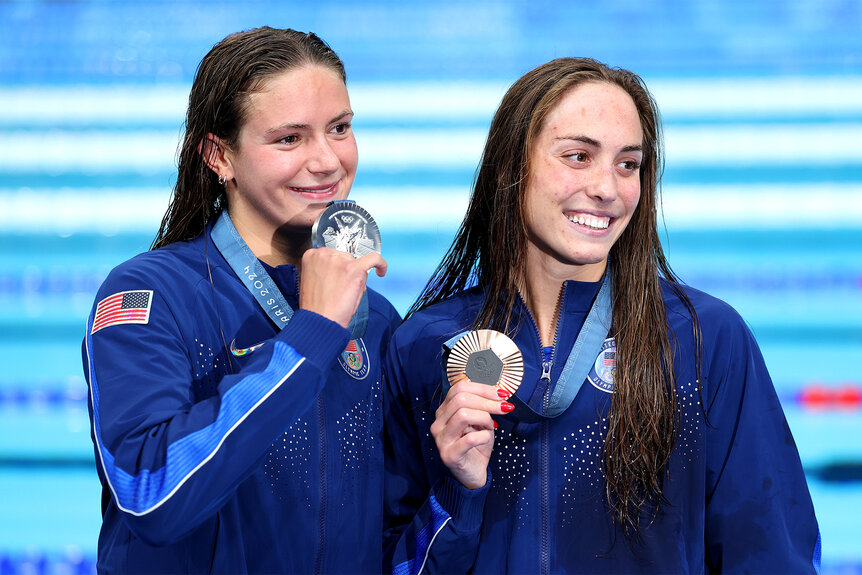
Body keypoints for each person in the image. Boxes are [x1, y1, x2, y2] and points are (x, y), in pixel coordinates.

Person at [383, 58, 820, 573]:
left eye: (627, 164)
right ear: (509, 169)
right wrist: (456, 493)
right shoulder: (425, 345)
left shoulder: (702, 337)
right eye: (578, 156)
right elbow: (391, 562)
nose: (608, 189)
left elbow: (771, 552)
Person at [81, 27, 401, 573]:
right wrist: (309, 335)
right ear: (219, 155)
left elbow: (395, 526)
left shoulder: (377, 321)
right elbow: (151, 492)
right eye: (289, 139)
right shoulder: (151, 295)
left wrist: (461, 488)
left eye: (340, 129)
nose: (327, 161)